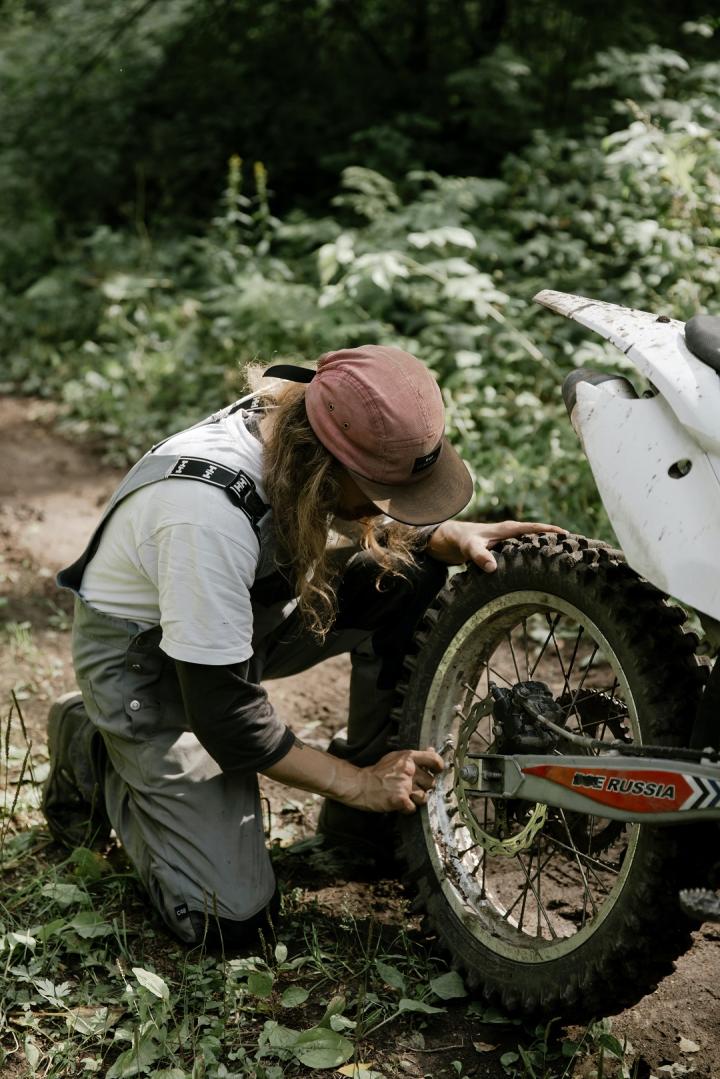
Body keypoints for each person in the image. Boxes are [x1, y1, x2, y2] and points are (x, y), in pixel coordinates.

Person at [43, 344, 559, 948]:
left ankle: (368, 830)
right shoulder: (202, 515)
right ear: (322, 465)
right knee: (229, 922)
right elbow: (230, 722)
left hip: (243, 614)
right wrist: (356, 781)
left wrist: (439, 533)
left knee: (409, 572)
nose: (387, 511)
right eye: (378, 494)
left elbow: (351, 509)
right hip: (148, 665)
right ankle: (100, 739)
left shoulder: (301, 421)